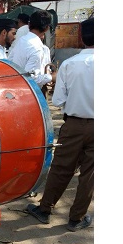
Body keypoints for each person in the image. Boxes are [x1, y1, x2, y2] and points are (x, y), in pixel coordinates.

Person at [25, 17, 94, 232]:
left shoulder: (69, 64)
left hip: (73, 125)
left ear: (81, 37)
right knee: (90, 174)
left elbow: (58, 101)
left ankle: (45, 209)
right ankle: (76, 218)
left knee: (61, 168)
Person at [8, 10, 53, 91]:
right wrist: (51, 77)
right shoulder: (36, 48)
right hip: (28, 92)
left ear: (29, 24)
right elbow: (31, 78)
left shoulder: (22, 40)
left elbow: (10, 60)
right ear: (47, 28)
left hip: (15, 87)